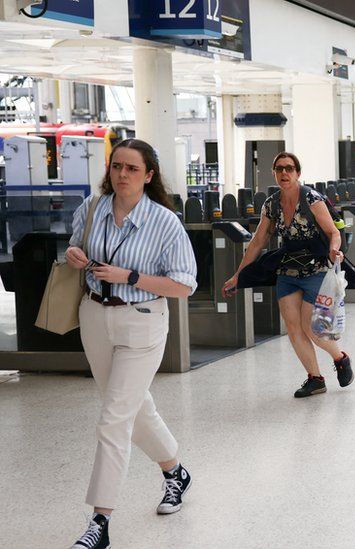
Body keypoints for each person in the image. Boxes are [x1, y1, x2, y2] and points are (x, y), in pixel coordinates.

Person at [64, 139, 197, 549]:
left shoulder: (164, 223)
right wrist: (73, 253)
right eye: (116, 166)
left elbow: (184, 284)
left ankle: (99, 522)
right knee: (134, 408)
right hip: (94, 317)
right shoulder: (92, 209)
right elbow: (75, 246)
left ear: (149, 176)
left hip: (142, 322)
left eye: (132, 169)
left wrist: (131, 277)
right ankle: (175, 471)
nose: (122, 174)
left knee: (113, 420)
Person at [223, 152, 351, 398]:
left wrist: (335, 250)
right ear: (274, 173)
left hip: (316, 269)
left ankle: (340, 358)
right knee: (293, 328)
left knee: (311, 327)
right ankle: (315, 378)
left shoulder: (312, 199)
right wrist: (238, 275)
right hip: (288, 269)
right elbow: (258, 241)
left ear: (298, 173)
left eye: (289, 168)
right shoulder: (271, 204)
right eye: (279, 168)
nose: (284, 173)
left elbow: (333, 231)